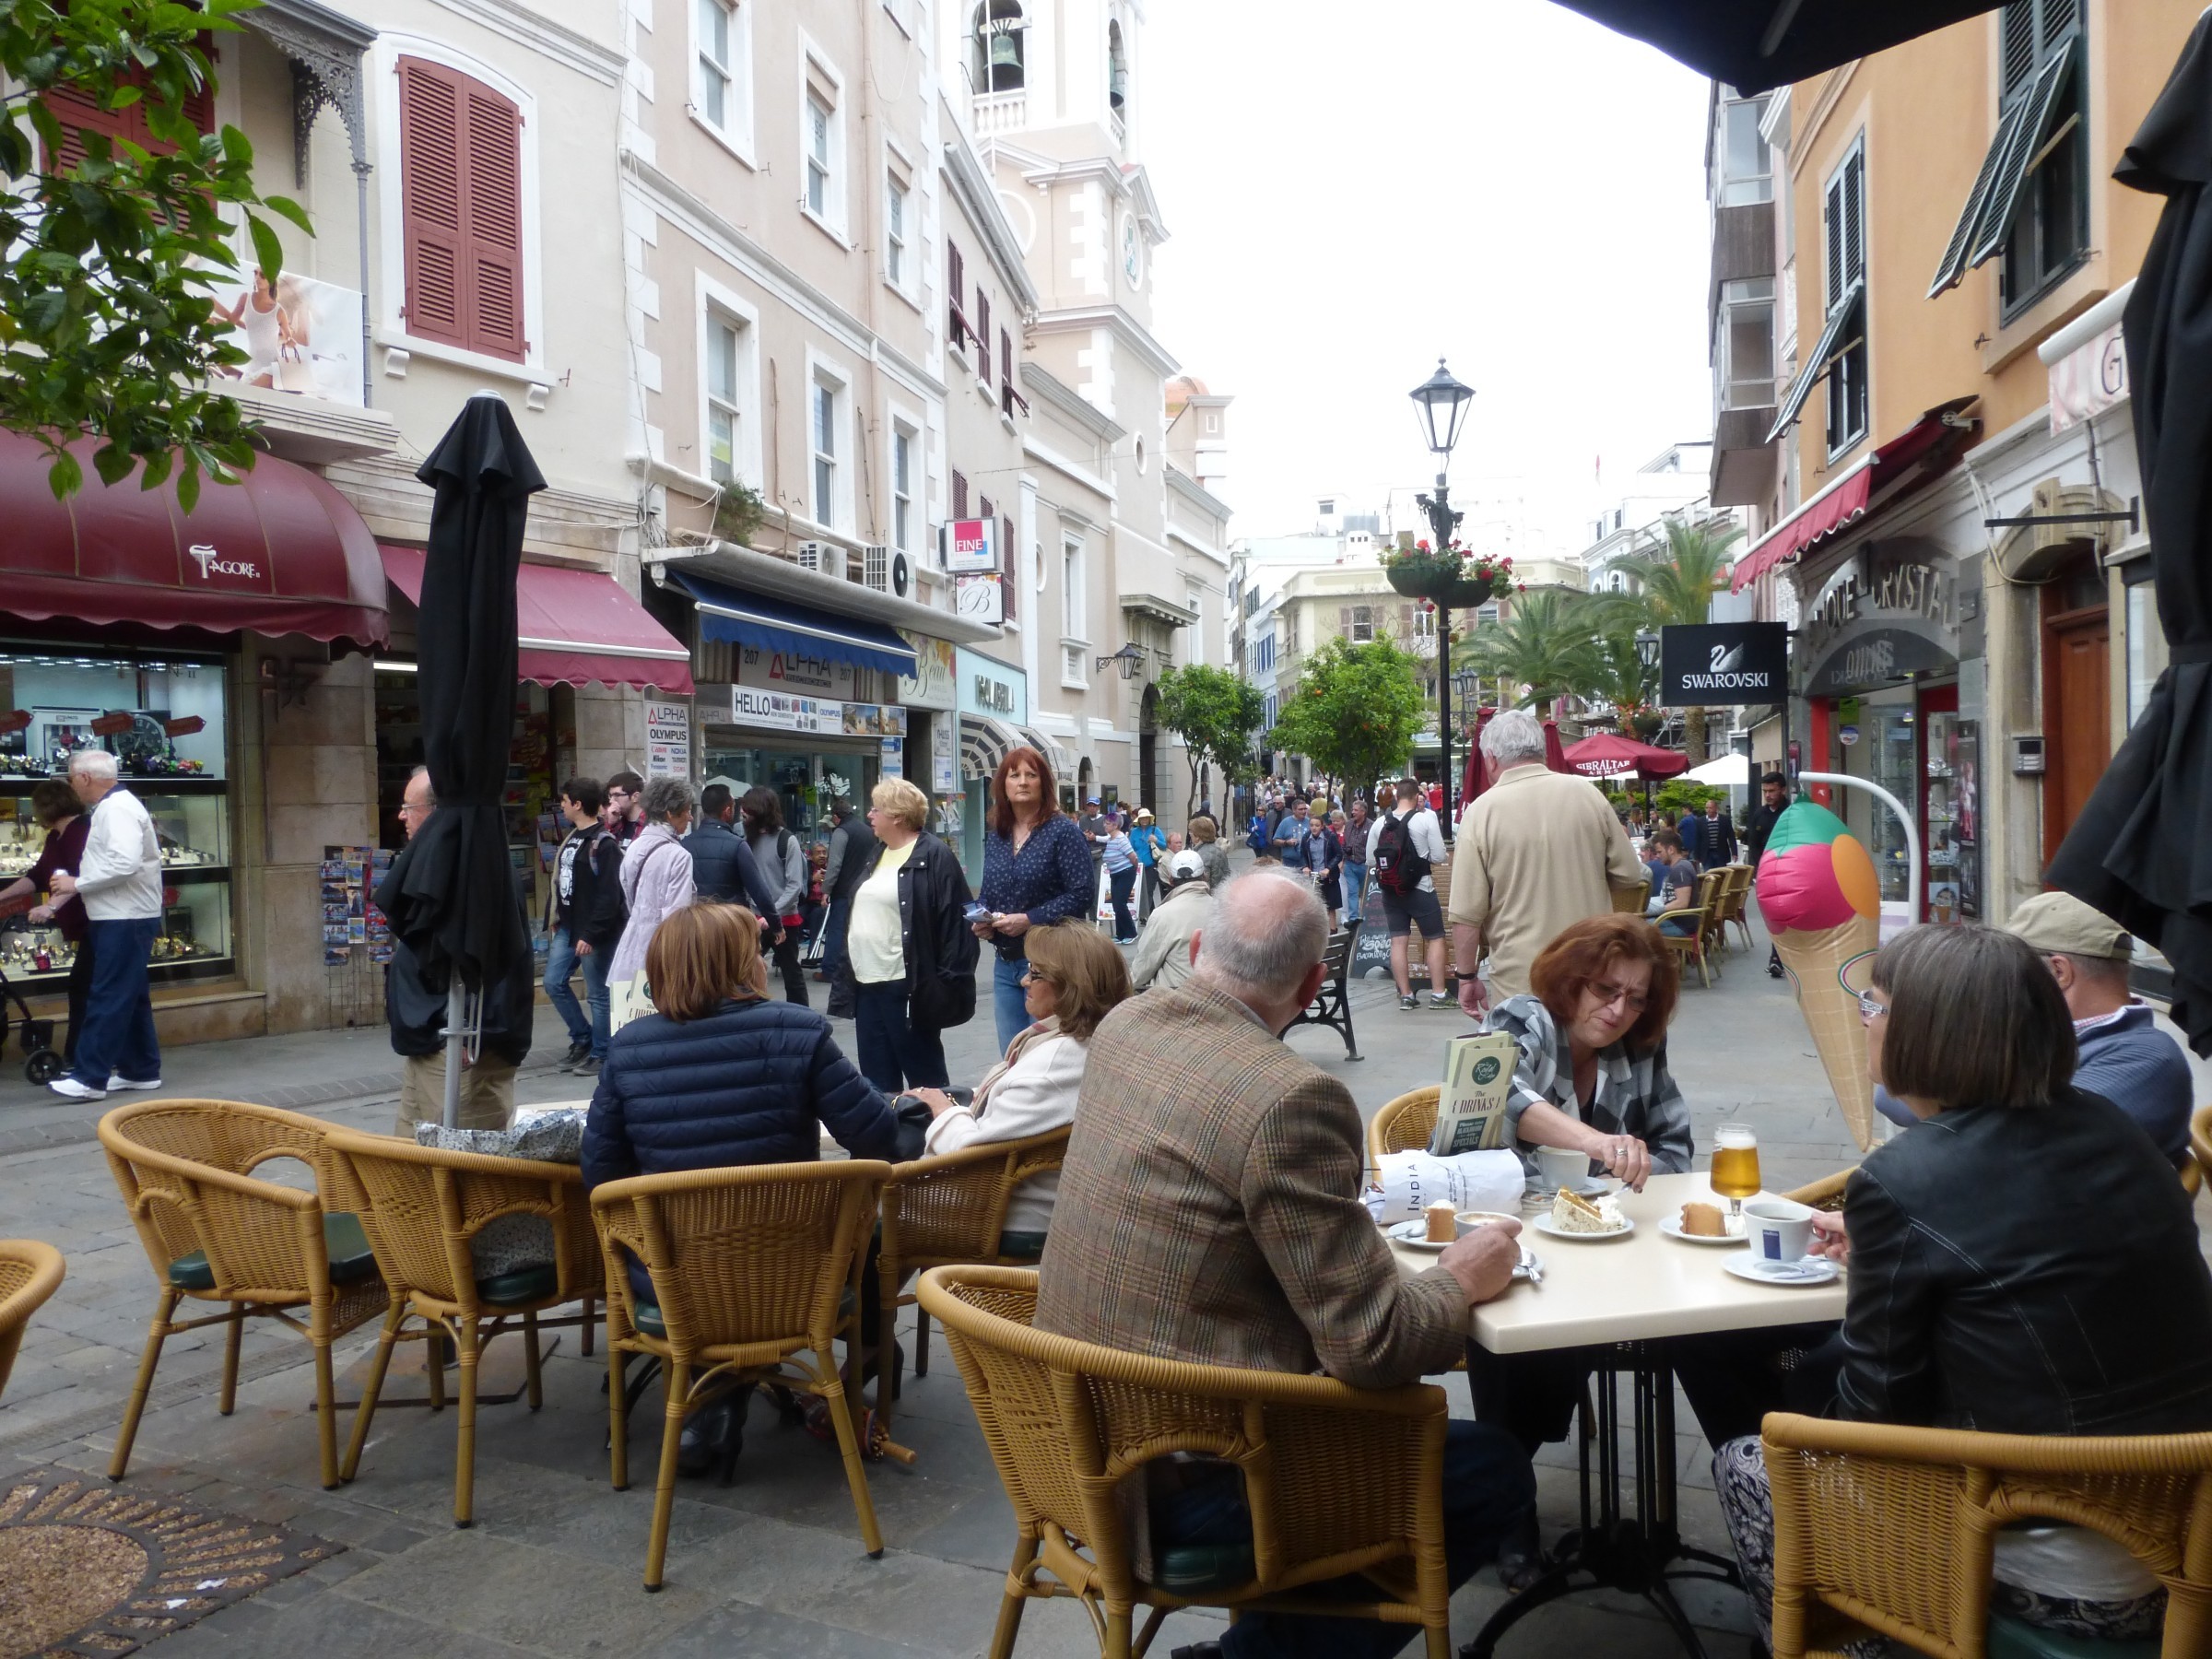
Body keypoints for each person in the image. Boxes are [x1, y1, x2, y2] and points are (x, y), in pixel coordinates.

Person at [1036, 870, 1535, 1659]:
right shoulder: (1288, 1098)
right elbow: (1372, 1346)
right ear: (1310, 985)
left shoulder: (1125, 1027)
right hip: (1184, 1475)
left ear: (1199, 948)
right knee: (1487, 1471)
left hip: (1063, 1439)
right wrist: (1466, 1274)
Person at [1712, 924, 2212, 1655]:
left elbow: (1875, 1420)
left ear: (1929, 1036)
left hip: (2056, 1557)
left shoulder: (1907, 1175)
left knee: (1750, 1465)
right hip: (2182, 1522)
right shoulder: (2110, 1124)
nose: (1864, 1019)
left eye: (1874, 1006)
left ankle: (1868, 1643)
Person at [582, 901, 900, 1471]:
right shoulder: (795, 1030)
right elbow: (876, 1135)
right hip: (797, 1272)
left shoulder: (628, 1050)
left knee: (695, 1256)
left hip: (674, 1280)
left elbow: (601, 1175)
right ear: (737, 964)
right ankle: (866, 1356)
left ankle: (713, 1401)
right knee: (870, 1233)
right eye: (753, 951)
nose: (760, 958)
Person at [1471, 914, 1691, 1583]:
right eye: (1605, 990)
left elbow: (1676, 1146)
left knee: (1687, 1326)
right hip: (1497, 1227)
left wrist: (1637, 1176)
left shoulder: (1641, 1046)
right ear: (1572, 982)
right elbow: (1503, 1095)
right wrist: (1596, 1144)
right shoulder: (1524, 1021)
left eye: (1637, 996)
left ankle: (1509, 1480)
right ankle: (1508, 1503)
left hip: (1598, 1240)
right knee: (1525, 1323)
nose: (1619, 1010)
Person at [1869, 892, 2195, 1165]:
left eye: (2008, 970)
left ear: (2058, 972)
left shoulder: (2145, 1061)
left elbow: (2012, 1151)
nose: (1994, 983)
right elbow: (1891, 1095)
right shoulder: (2043, 1035)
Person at [907, 921, 1130, 1248]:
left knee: (863, 1207)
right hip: (1022, 1195)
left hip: (1006, 1211)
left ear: (1070, 985)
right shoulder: (1091, 1040)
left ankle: (862, 1297)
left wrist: (943, 1110)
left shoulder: (1052, 1066)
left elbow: (972, 1156)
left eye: (1036, 974)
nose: (1025, 980)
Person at [1451, 709, 1645, 1014]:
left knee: (1527, 1059)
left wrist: (1466, 977)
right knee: (1590, 1059)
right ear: (1539, 750)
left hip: (1521, 980)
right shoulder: (1588, 795)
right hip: (1591, 968)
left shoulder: (1480, 813)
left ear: (1490, 758)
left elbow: (1466, 915)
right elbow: (1630, 875)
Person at [378, 766, 536, 1133]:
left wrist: (469, 1030)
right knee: (410, 1168)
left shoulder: (478, 872)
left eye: (408, 805)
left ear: (437, 812)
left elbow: (494, 958)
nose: (401, 815)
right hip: (429, 1046)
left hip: (460, 1050)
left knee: (463, 1172)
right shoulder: (442, 865)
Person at [841, 778, 978, 1093]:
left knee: (925, 1079)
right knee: (877, 1081)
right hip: (867, 982)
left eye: (876, 809)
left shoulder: (934, 855)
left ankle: (935, 1135)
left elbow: (957, 924)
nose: (870, 816)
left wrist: (944, 983)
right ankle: (889, 1140)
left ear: (898, 816)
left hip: (907, 984)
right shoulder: (876, 853)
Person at [46, 750, 164, 1100]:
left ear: (84, 778)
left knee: (108, 994)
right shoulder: (117, 807)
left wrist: (76, 884)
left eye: (70, 779)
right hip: (122, 913)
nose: (70, 786)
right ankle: (140, 1069)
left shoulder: (116, 810)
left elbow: (124, 863)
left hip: (123, 915)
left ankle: (89, 1077)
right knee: (130, 995)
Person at [976, 747, 1095, 1053]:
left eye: (1031, 774)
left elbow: (1082, 893)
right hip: (1006, 962)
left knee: (1044, 1053)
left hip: (1050, 963)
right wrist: (984, 920)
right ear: (1003, 784)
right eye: (1015, 775)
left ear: (1044, 784)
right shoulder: (997, 835)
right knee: (1012, 1054)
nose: (1023, 782)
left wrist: (1030, 918)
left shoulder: (1062, 832)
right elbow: (989, 891)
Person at [0, 779, 91, 1072]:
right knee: (84, 988)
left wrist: (50, 906)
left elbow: (80, 878)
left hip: (96, 921)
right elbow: (38, 875)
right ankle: (83, 1055)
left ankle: (80, 1057)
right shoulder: (56, 837)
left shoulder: (81, 832)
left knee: (83, 988)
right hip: (80, 924)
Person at [545, 778, 625, 1077]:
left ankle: (602, 1052)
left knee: (597, 994)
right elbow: (560, 884)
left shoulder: (604, 844)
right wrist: (555, 919)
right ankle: (582, 1037)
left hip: (593, 932)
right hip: (568, 928)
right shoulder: (572, 838)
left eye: (565, 800)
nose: (562, 805)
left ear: (578, 804)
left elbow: (610, 895)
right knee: (553, 982)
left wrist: (591, 934)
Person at [606, 776, 697, 1030]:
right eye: (687, 811)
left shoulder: (634, 847)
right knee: (662, 1033)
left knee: (630, 1031)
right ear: (671, 813)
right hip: (662, 955)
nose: (690, 818)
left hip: (630, 948)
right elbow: (676, 916)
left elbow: (629, 897)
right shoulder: (678, 855)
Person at [1367, 777, 1453, 1012]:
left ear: (1396, 797)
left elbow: (1369, 860)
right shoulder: (1426, 819)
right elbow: (1438, 856)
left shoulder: (1378, 824)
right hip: (1421, 887)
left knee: (1398, 941)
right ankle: (1438, 994)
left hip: (1391, 891)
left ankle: (1405, 995)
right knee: (1434, 938)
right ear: (1417, 797)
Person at [740, 785, 810, 1006]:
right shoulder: (744, 839)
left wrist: (772, 915)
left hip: (784, 919)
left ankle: (801, 1016)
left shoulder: (786, 840)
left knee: (792, 973)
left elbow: (794, 886)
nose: (743, 815)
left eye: (748, 811)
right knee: (746, 971)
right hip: (754, 918)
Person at [681, 782, 781, 924]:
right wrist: (776, 923)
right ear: (727, 811)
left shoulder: (684, 845)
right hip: (732, 923)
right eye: (734, 806)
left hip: (697, 924)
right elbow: (758, 890)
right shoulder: (738, 845)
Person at [1130, 849, 1209, 994]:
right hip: (1217, 995)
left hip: (1177, 995)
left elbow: (1143, 969)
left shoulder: (1162, 914)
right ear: (1204, 877)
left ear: (1171, 880)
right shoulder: (1223, 910)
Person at [817, 796, 877, 984]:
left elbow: (834, 865)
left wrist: (826, 889)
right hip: (865, 887)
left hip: (844, 890)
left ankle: (830, 969)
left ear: (836, 817)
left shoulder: (841, 832)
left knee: (836, 929)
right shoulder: (869, 831)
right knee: (859, 930)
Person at [1743, 771, 1791, 978]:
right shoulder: (1758, 815)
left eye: (1772, 790)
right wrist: (1757, 870)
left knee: (1787, 916)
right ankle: (1776, 958)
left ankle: (1780, 958)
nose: (1768, 795)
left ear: (1783, 790)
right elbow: (1753, 845)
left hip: (1789, 872)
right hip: (1767, 875)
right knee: (1774, 916)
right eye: (1765, 791)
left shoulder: (1792, 813)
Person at [1647, 830, 1700, 936]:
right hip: (1674, 921)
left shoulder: (1680, 869)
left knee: (1635, 928)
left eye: (1659, 852)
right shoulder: (1681, 866)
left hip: (1680, 926)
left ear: (1671, 849)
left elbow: (1682, 903)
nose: (1657, 856)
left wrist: (1654, 911)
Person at [1100, 816, 1139, 944]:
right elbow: (1101, 839)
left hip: (1125, 873)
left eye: (1107, 823)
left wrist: (1133, 869)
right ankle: (1120, 934)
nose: (1104, 826)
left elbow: (1133, 857)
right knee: (1116, 904)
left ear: (1115, 825)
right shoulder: (1111, 838)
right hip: (1115, 874)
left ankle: (1131, 933)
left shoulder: (1121, 839)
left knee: (1120, 903)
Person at [1129, 808, 1168, 922]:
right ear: (1139, 820)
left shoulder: (1155, 830)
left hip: (1152, 865)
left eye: (1146, 818)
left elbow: (1164, 846)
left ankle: (1144, 915)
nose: (1144, 820)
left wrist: (1156, 840)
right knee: (1141, 890)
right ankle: (1151, 914)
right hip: (1137, 866)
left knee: (1148, 890)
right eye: (1142, 818)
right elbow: (1131, 847)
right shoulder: (1134, 832)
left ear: (1149, 819)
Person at [1340, 799, 1371, 923]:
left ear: (1363, 812)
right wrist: (1343, 859)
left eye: (1356, 810)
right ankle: (1353, 917)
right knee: (1352, 892)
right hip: (1350, 863)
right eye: (1353, 810)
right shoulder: (1348, 825)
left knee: (1366, 893)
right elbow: (1345, 842)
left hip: (1365, 863)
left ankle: (1367, 916)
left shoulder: (1371, 826)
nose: (1353, 812)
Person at [1187, 815, 1233, 891]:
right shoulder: (1219, 850)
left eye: (1191, 832)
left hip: (1209, 897)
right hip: (1222, 893)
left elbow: (1203, 884)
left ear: (1198, 836)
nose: (1190, 834)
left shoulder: (1200, 855)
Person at [604, 770, 645, 847]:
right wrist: (611, 824)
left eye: (617, 795)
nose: (611, 801)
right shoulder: (618, 824)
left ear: (635, 797)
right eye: (610, 796)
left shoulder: (649, 826)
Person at [1699, 795, 1738, 866]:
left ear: (1716, 808)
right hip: (1707, 855)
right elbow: (1697, 838)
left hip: (1721, 853)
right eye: (1707, 808)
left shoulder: (1724, 820)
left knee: (1721, 874)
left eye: (1710, 808)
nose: (1708, 810)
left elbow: (1731, 837)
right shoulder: (1700, 821)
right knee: (1709, 875)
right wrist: (1696, 856)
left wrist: (1734, 853)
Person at [1078, 795, 1112, 874]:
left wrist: (1095, 838)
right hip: (1086, 855)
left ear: (1098, 807)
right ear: (1087, 807)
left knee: (1098, 881)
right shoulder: (1082, 820)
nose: (1092, 808)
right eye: (1090, 806)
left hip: (1101, 855)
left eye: (1094, 806)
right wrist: (1083, 836)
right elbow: (1077, 836)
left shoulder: (1105, 819)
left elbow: (1110, 838)